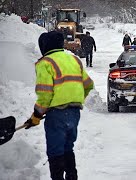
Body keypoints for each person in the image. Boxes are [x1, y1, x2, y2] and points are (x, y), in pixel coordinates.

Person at [24, 31, 94, 180]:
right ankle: (72, 176)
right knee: (68, 148)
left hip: (56, 115)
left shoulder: (45, 63)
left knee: (55, 151)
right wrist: (76, 99)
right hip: (74, 113)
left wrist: (37, 114)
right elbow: (88, 85)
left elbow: (45, 93)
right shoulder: (74, 60)